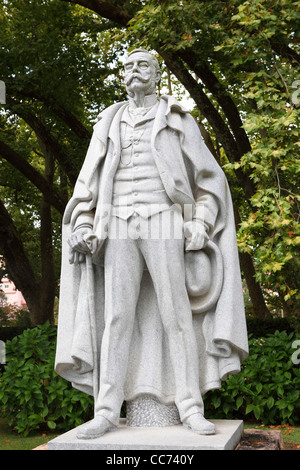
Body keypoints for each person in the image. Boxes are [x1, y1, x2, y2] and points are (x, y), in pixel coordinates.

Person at [55, 49, 248, 439]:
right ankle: (107, 411)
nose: (133, 72)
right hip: (118, 225)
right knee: (116, 317)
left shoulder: (177, 119)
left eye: (142, 65)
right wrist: (82, 222)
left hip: (163, 220)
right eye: (127, 67)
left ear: (157, 74)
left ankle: (190, 407)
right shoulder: (108, 122)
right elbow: (86, 187)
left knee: (175, 315)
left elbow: (210, 181)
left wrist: (200, 222)